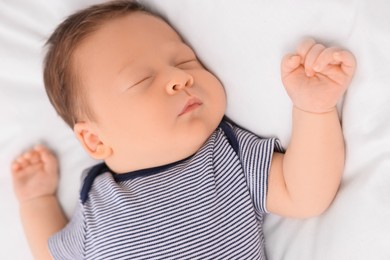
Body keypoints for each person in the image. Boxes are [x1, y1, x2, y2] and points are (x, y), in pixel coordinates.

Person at [11, 1, 356, 259]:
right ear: (95, 139)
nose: (180, 78)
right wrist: (36, 200)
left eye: (184, 61)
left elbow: (306, 194)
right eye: (142, 80)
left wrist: (313, 108)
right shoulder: (97, 204)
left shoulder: (226, 157)